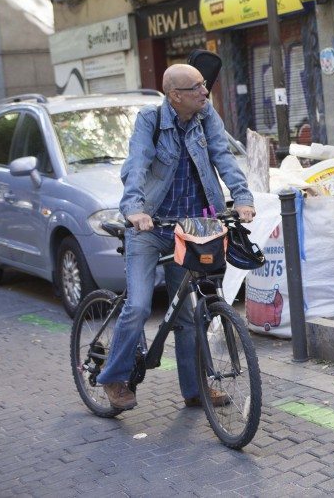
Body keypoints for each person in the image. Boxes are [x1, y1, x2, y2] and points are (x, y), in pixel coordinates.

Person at [96, 64, 255, 411]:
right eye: (196, 87)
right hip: (149, 228)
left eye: (204, 85)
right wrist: (135, 210)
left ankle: (195, 388)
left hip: (190, 229)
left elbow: (222, 157)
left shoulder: (205, 115)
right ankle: (112, 377)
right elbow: (136, 165)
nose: (205, 92)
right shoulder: (150, 121)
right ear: (174, 96)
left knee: (187, 314)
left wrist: (241, 197)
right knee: (138, 306)